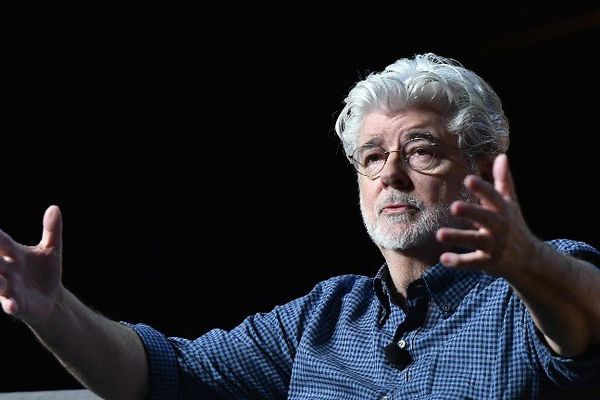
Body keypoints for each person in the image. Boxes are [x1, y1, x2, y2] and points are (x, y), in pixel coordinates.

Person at [2, 52, 600, 400]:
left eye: (421, 151)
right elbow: (161, 374)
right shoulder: (324, 317)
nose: (390, 175)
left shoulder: (532, 290)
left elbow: (588, 322)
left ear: (483, 167)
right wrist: (52, 311)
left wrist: (527, 260)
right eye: (371, 157)